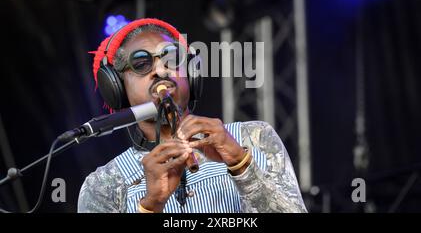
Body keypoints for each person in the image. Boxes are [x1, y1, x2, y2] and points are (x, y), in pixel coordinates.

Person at [78, 18, 307, 213]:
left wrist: (241, 164)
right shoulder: (103, 185)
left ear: (191, 73)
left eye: (171, 58)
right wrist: (150, 205)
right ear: (116, 87)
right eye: (141, 63)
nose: (161, 70)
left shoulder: (253, 136)